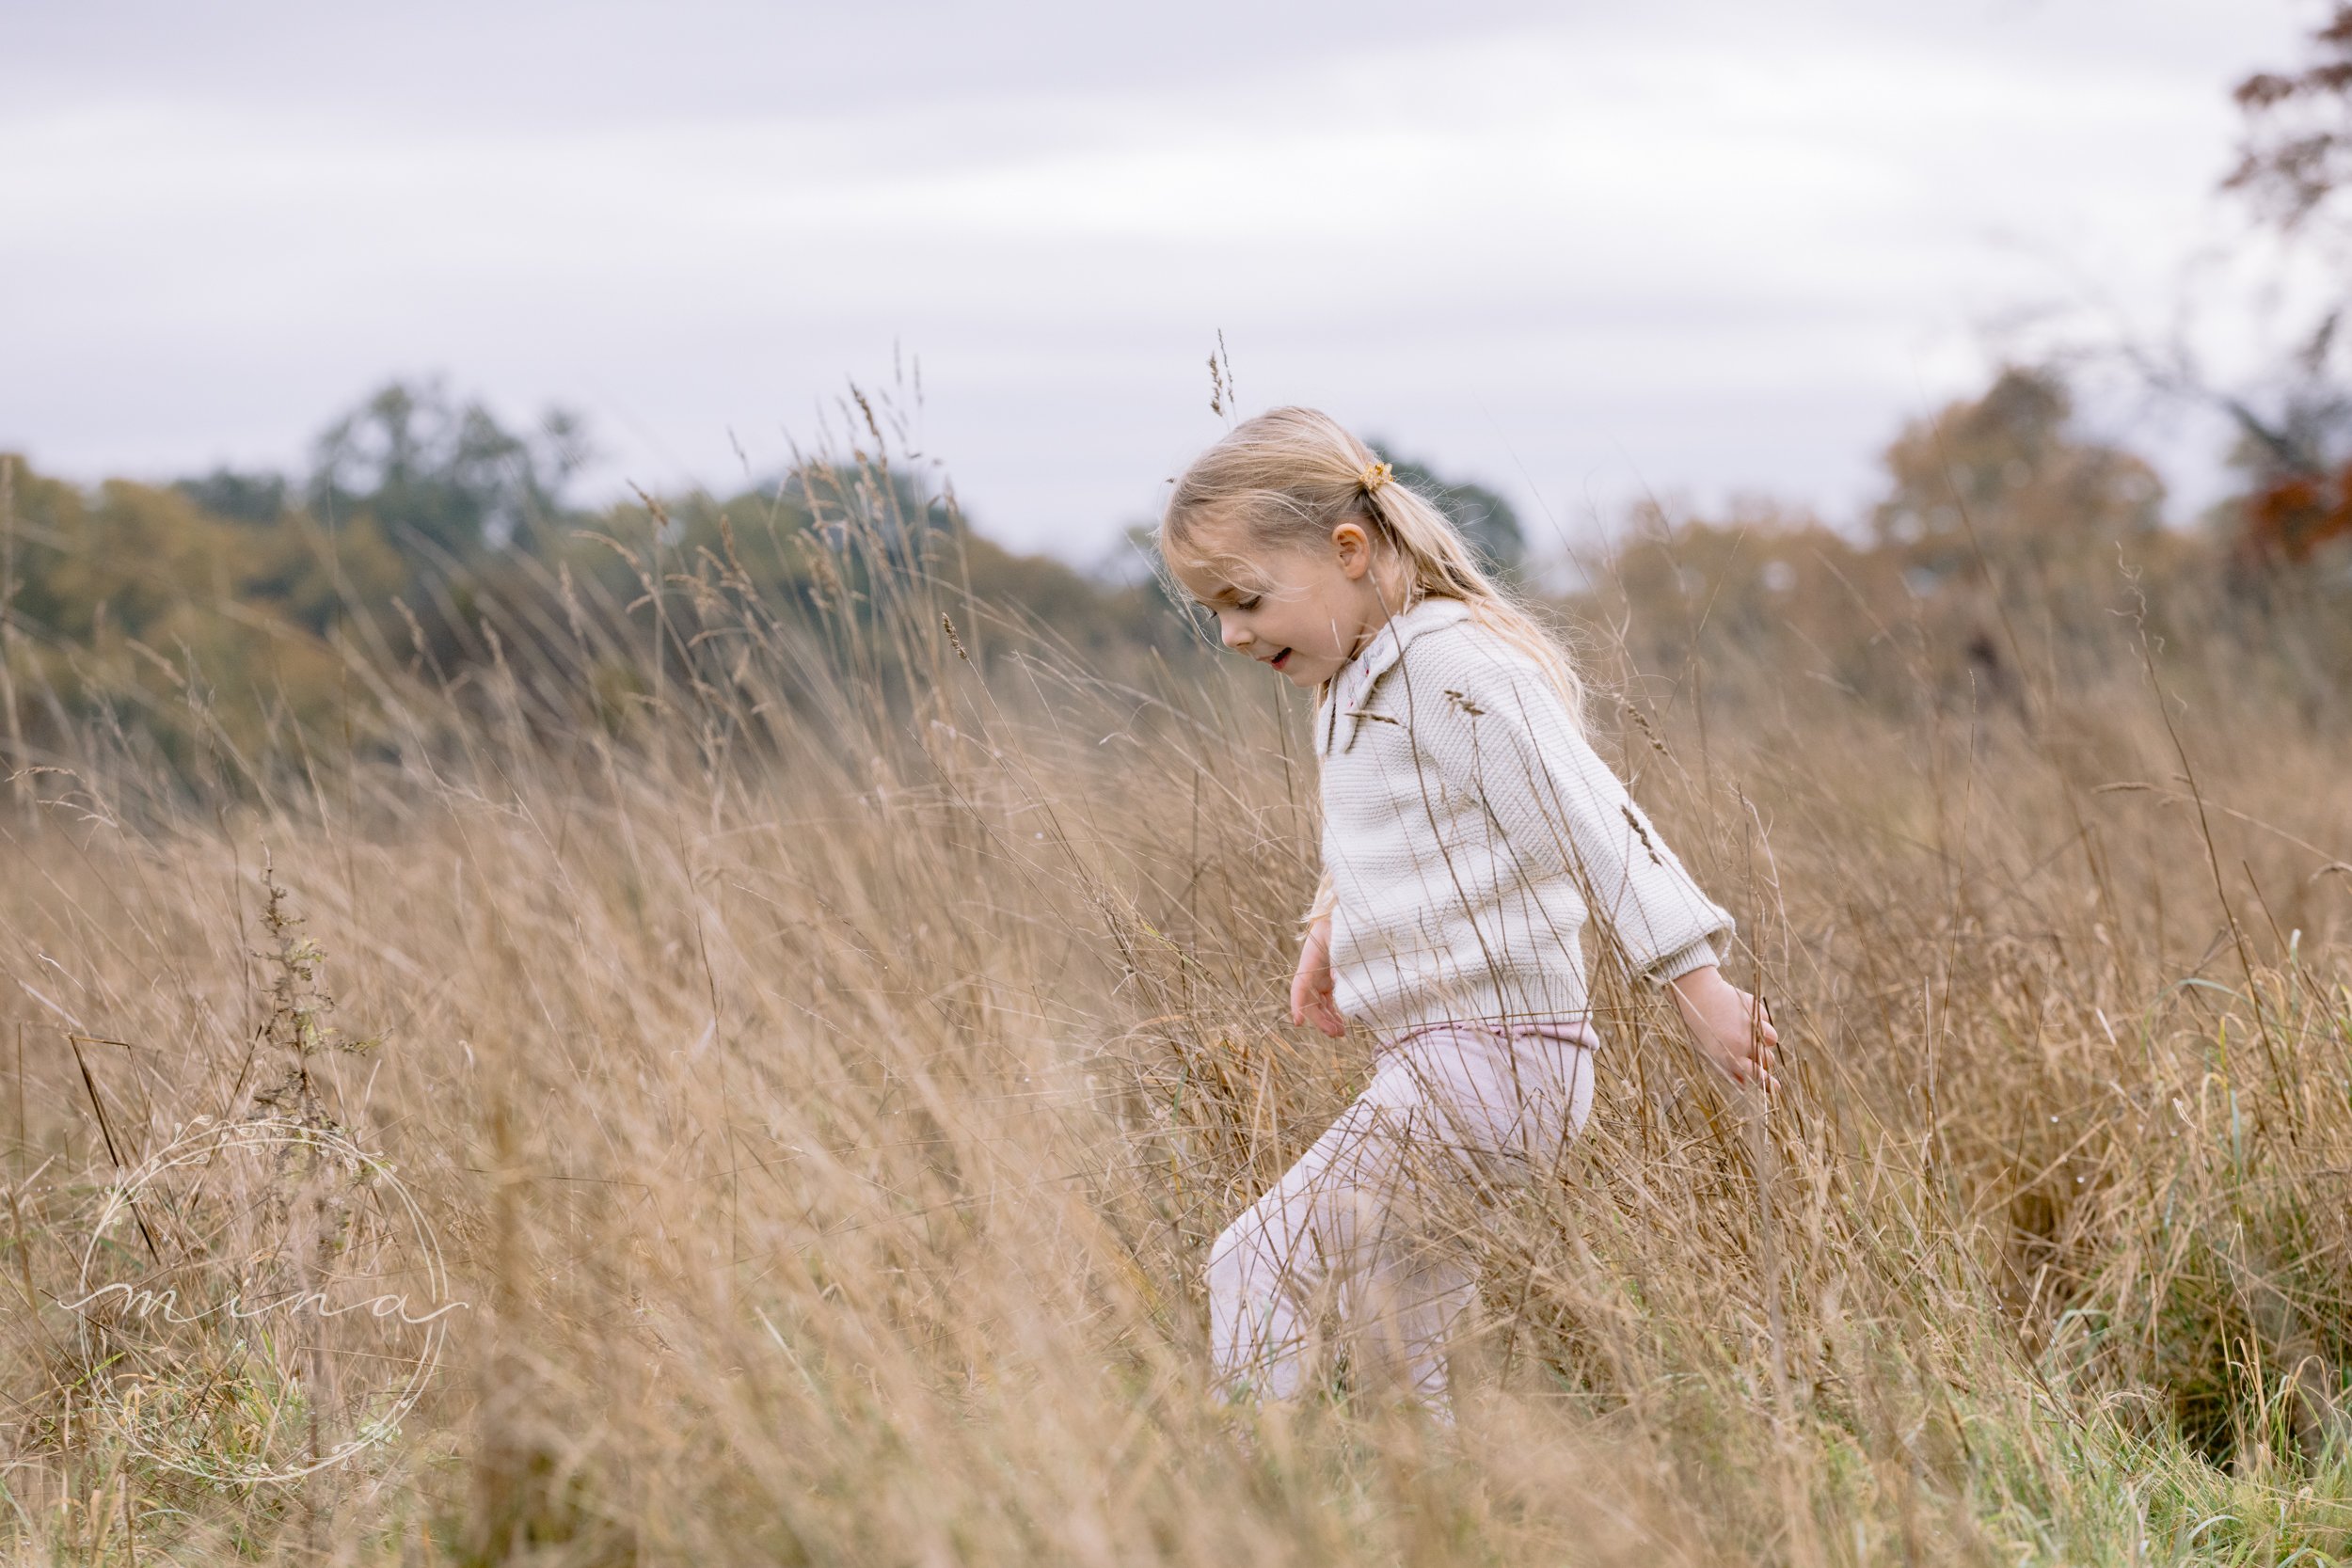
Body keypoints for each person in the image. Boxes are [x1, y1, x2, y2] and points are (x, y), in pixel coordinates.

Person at [1159, 406, 1778, 1418]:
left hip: (1483, 1063)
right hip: (1475, 1062)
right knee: (1404, 1346)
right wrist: (1329, 931)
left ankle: (1242, 1509)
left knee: (1252, 1264)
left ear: (1348, 550)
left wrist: (1698, 987)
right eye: (1212, 611)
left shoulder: (1450, 662)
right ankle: (1438, 1519)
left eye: (1246, 598)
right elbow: (1394, 830)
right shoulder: (1361, 675)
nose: (1230, 633)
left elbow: (1591, 821)